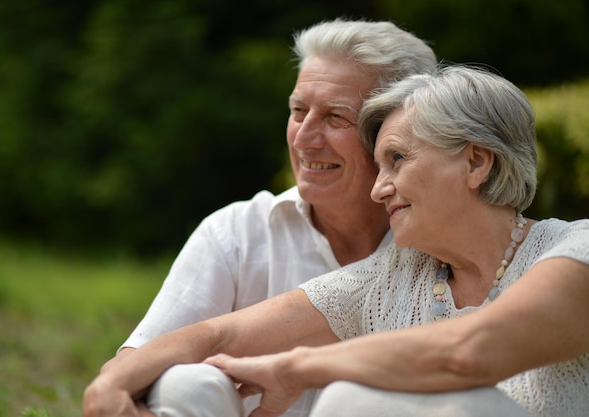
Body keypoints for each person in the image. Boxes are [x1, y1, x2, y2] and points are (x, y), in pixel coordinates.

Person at [83, 65, 589, 417]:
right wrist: (108, 384)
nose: (377, 188)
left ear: (477, 163)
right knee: (188, 382)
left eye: (398, 159)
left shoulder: (574, 252)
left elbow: (471, 351)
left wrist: (296, 368)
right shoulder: (395, 276)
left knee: (355, 402)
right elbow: (217, 336)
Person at [97, 18, 437, 417]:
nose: (304, 136)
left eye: (335, 118)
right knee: (181, 382)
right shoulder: (236, 232)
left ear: (394, 133)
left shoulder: (439, 245)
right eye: (298, 110)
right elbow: (142, 358)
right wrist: (110, 391)